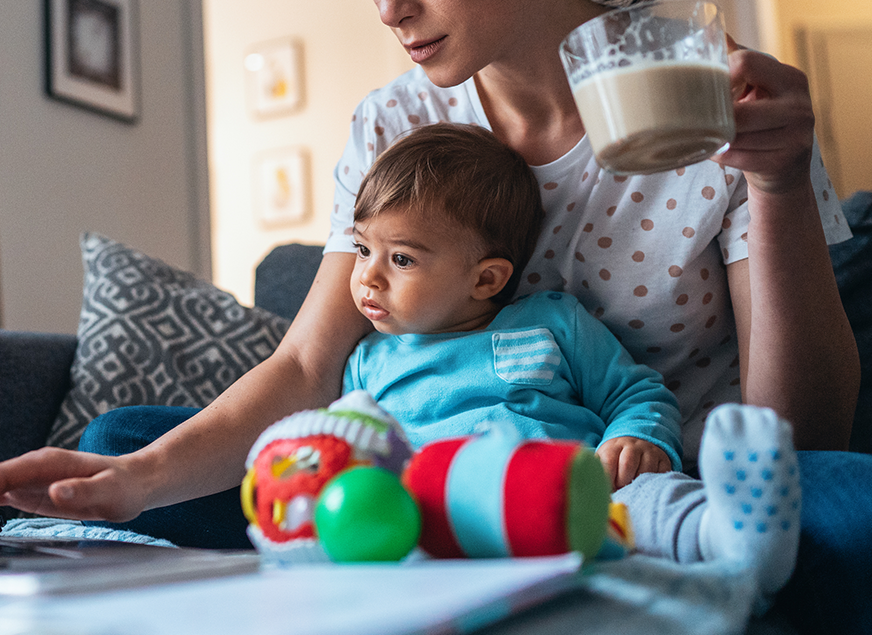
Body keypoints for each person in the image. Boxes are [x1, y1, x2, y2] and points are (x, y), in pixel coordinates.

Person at [0, 0, 866, 630]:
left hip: (660, 485)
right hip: (431, 474)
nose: (388, 5)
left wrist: (777, 179)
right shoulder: (393, 122)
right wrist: (127, 481)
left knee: (846, 507)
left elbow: (799, 434)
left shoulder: (714, 93)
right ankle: (407, 541)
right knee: (126, 442)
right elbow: (307, 370)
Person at [341, 122, 799, 602]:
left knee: (647, 502)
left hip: (581, 500)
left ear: (486, 280)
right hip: (449, 521)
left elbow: (634, 392)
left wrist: (636, 436)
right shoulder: (367, 364)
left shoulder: (551, 322)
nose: (368, 276)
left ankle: (734, 540)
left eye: (402, 260)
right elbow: (354, 448)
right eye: (362, 248)